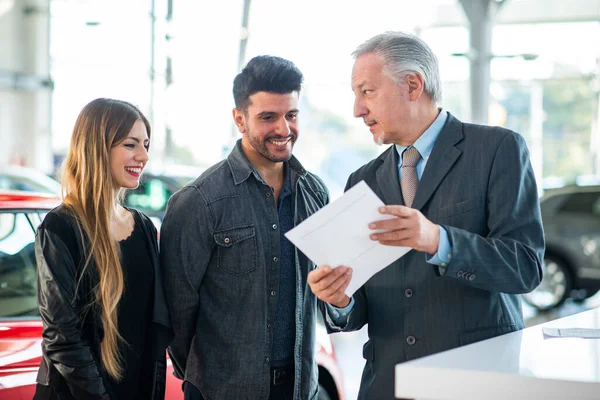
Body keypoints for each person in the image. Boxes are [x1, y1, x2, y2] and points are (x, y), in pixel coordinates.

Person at [307, 31, 545, 399]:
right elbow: (360, 308)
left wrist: (438, 240)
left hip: (477, 384)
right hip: (388, 385)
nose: (357, 109)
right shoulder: (363, 181)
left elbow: (525, 268)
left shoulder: (497, 150)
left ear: (413, 85)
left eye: (366, 92)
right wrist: (341, 299)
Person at [160, 55, 329, 400]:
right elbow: (177, 316)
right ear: (239, 119)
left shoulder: (315, 193)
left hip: (300, 388)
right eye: (268, 117)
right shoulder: (198, 202)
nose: (284, 129)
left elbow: (329, 294)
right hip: (223, 392)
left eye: (291, 115)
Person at [34, 98, 172, 400]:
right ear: (97, 147)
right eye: (130, 144)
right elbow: (63, 339)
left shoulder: (144, 227)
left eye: (146, 144)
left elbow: (156, 325)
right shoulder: (61, 228)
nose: (144, 155)